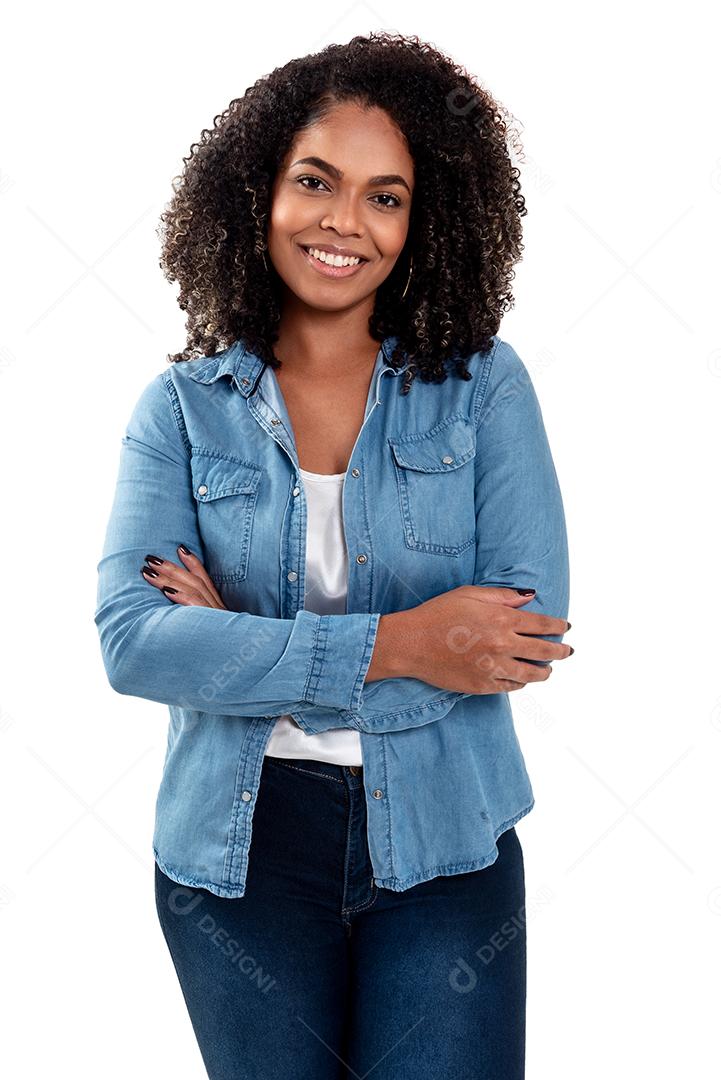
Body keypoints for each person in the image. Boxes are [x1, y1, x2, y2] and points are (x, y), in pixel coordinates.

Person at [94, 31, 572, 1080]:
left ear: (425, 220)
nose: (343, 222)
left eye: (385, 196)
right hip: (239, 857)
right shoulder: (179, 413)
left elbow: (519, 638)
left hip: (447, 847)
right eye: (315, 181)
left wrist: (243, 650)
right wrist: (406, 642)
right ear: (256, 192)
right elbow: (134, 644)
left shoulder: (484, 388)